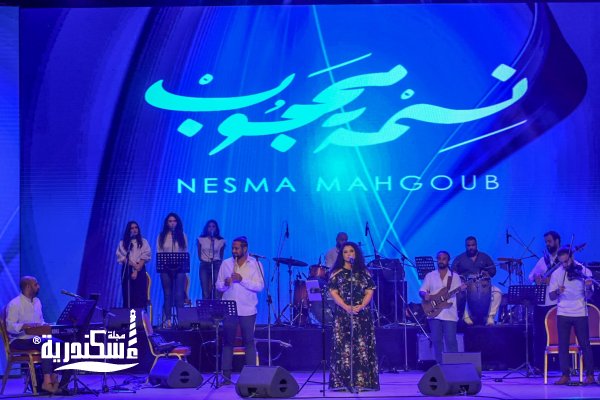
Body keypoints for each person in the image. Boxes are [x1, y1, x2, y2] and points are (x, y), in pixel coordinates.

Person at [328, 242, 379, 391]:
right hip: (343, 315)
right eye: (345, 252)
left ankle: (362, 382)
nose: (349, 254)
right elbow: (334, 293)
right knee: (343, 348)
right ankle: (342, 383)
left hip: (362, 314)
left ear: (356, 253)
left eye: (351, 251)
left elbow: (369, 291)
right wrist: (346, 307)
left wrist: (361, 305)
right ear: (341, 255)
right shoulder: (336, 273)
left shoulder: (364, 272)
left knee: (361, 347)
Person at [216, 236, 265, 384]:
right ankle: (226, 376)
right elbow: (218, 285)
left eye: (237, 248)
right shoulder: (226, 263)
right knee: (227, 342)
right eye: (232, 248)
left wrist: (241, 279)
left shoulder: (255, 264)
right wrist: (225, 284)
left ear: (245, 248)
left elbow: (259, 286)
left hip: (248, 308)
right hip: (229, 308)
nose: (234, 251)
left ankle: (251, 376)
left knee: (249, 342)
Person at [548, 245, 595, 385]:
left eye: (567, 261)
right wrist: (558, 292)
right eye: (562, 262)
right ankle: (565, 375)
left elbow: (589, 296)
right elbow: (551, 296)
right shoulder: (557, 273)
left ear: (572, 257)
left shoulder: (583, 271)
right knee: (563, 345)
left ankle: (590, 375)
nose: (565, 265)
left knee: (585, 344)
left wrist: (588, 286)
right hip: (563, 312)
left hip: (580, 312)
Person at [5, 277, 61, 393]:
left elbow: (40, 322)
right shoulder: (14, 304)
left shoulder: (37, 302)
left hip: (35, 338)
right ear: (27, 287)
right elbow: (10, 327)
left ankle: (54, 378)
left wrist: (47, 325)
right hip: (20, 340)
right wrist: (24, 326)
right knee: (47, 344)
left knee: (60, 344)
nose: (38, 287)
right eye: (36, 285)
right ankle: (46, 382)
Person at [419, 251, 466, 363]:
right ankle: (440, 366)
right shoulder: (430, 275)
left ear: (448, 260)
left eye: (444, 258)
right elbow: (422, 290)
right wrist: (425, 295)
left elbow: (457, 293)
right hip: (434, 313)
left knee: (451, 341)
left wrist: (462, 290)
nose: (441, 261)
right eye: (439, 258)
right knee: (437, 342)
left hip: (449, 313)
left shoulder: (455, 277)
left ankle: (454, 366)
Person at [451, 236, 501, 325]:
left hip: (483, 286)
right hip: (466, 285)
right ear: (465, 246)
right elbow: (452, 272)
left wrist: (487, 273)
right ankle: (466, 317)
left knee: (497, 292)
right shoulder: (460, 258)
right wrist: (459, 279)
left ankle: (490, 317)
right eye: (468, 245)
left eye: (473, 245)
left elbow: (493, 271)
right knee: (460, 293)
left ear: (476, 245)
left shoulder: (485, 257)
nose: (471, 247)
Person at [528, 231, 560, 370]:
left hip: (556, 303)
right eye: (546, 242)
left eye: (550, 241)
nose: (547, 244)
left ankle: (559, 365)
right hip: (541, 302)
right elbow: (531, 276)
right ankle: (539, 366)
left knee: (557, 335)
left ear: (557, 241)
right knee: (539, 335)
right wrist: (537, 278)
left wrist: (551, 281)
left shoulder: (564, 261)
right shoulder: (543, 260)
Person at [157, 212, 188, 328]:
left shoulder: (182, 235)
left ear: (177, 223)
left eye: (174, 221)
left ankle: (181, 320)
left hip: (179, 268)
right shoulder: (161, 236)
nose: (172, 223)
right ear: (167, 223)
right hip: (165, 268)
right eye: (170, 221)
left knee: (179, 294)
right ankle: (168, 320)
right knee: (167, 294)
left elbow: (185, 251)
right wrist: (166, 262)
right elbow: (159, 252)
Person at [116, 221, 152, 309]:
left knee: (140, 296)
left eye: (136, 227)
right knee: (128, 295)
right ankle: (129, 317)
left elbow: (145, 255)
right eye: (132, 228)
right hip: (127, 269)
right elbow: (122, 256)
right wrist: (133, 265)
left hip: (140, 269)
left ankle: (140, 317)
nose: (134, 230)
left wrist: (136, 269)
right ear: (128, 230)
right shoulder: (123, 243)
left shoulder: (143, 241)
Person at [197, 219, 226, 300]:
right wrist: (204, 260)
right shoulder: (201, 239)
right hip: (204, 264)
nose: (211, 228)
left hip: (216, 264)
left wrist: (218, 262)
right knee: (205, 290)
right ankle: (206, 307)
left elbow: (221, 254)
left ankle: (216, 307)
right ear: (206, 228)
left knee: (217, 289)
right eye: (209, 226)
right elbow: (199, 254)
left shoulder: (221, 241)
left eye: (213, 226)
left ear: (216, 228)